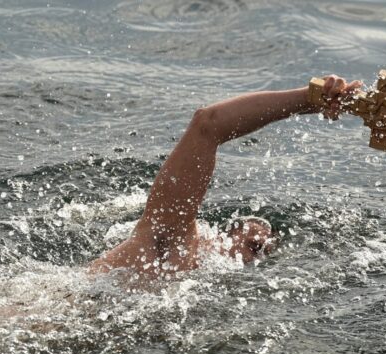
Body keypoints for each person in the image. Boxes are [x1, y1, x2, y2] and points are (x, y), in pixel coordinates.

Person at [89, 75, 362, 278]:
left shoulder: (189, 283)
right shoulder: (166, 244)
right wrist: (308, 98)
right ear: (219, 236)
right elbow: (208, 123)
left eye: (262, 254)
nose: (251, 259)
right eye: (254, 246)